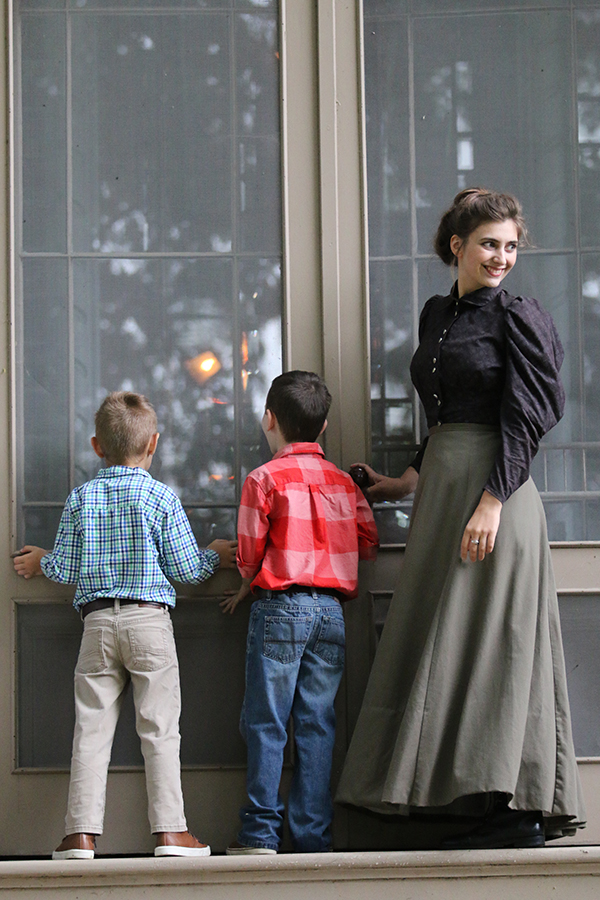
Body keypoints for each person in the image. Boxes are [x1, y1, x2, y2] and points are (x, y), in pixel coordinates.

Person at [335, 188, 586, 850]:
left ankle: (508, 802)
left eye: (510, 246)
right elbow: (443, 412)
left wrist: (493, 501)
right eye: (489, 244)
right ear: (458, 246)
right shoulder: (435, 315)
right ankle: (445, 804)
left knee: (494, 641)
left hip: (497, 491)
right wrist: (406, 479)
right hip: (444, 487)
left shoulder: (519, 314)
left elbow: (530, 415)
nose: (502, 256)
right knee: (440, 638)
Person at [13, 391, 238, 860]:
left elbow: (66, 568)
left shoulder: (81, 498)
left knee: (90, 731)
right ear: (152, 444)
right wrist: (213, 556)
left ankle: (79, 835)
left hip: (97, 623)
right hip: (149, 623)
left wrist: (40, 561)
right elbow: (185, 569)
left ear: (97, 446)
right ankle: (172, 833)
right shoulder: (161, 498)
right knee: (159, 729)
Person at [220, 371, 379, 854]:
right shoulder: (342, 483)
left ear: (269, 419)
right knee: (316, 723)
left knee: (267, 721)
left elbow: (249, 558)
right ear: (324, 425)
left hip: (280, 609)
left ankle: (260, 833)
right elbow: (368, 545)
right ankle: (312, 837)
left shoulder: (263, 479)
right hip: (330, 612)